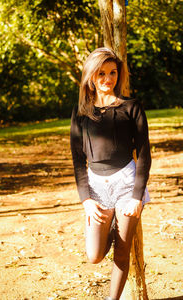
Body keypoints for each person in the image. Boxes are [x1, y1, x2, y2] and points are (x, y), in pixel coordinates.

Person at [70, 47, 151, 300]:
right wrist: (86, 200)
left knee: (122, 252)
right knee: (94, 256)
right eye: (101, 73)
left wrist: (137, 197)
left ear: (119, 74)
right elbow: (77, 161)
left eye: (113, 72)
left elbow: (145, 154)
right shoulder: (81, 113)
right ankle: (111, 222)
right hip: (96, 187)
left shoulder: (131, 107)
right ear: (91, 77)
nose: (108, 79)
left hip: (127, 184)